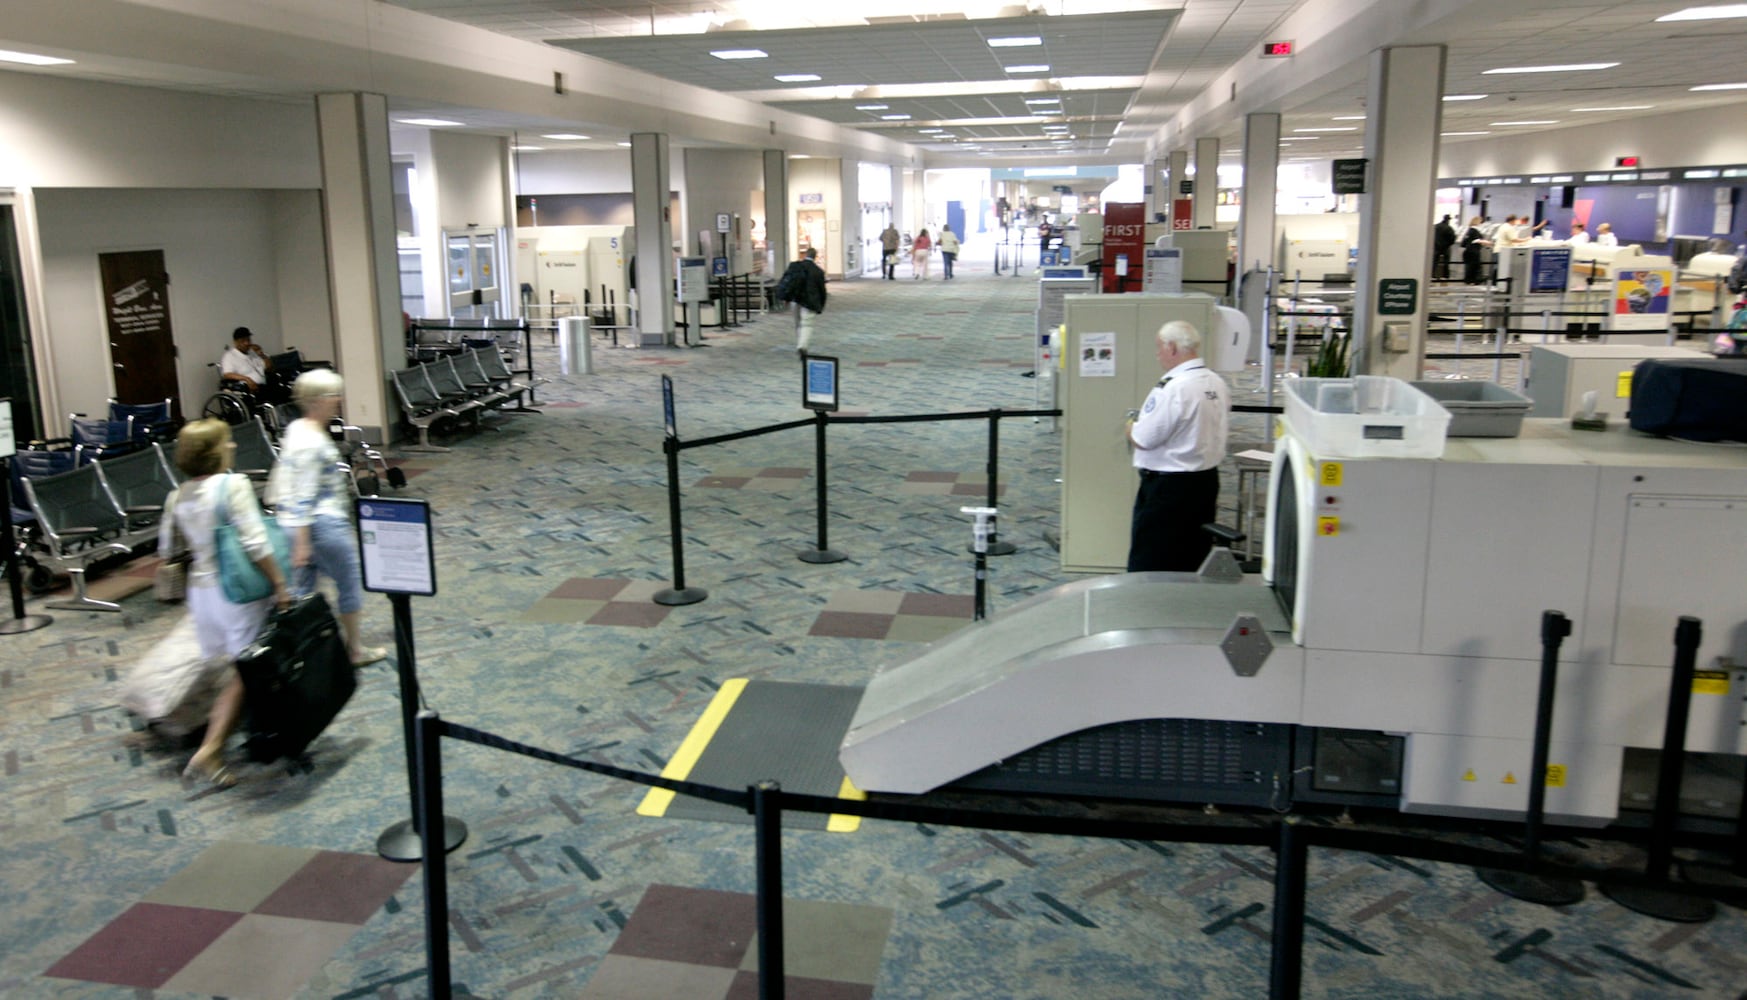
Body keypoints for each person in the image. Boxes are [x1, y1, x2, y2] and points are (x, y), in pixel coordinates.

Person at [161, 418, 292, 785]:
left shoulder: (177, 496)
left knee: (231, 666)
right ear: (215, 452)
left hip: (201, 594)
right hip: (236, 591)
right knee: (245, 670)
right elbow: (256, 543)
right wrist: (280, 584)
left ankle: (236, 730)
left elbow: (168, 549)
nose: (232, 447)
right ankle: (212, 749)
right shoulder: (233, 485)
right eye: (227, 442)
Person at [267, 370, 387, 668]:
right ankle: (355, 649)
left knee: (302, 590)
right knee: (348, 581)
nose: (339, 401)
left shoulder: (297, 429)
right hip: (321, 525)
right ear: (318, 401)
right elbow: (305, 492)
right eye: (334, 395)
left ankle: (296, 653)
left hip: (297, 525)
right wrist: (303, 543)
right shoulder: (312, 441)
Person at [1122, 320, 1229, 574]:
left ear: (1171, 347)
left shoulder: (1173, 388)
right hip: (1205, 482)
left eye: (1159, 347)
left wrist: (1130, 426)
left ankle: (1153, 610)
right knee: (1193, 554)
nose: (1157, 354)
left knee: (1152, 558)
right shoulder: (1215, 382)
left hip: (1168, 488)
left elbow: (1144, 438)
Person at [776, 247, 828, 355]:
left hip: (795, 299)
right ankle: (802, 346)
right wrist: (821, 305)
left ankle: (800, 342)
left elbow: (786, 281)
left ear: (805, 255)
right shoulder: (818, 272)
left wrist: (786, 298)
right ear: (815, 257)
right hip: (809, 301)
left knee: (798, 323)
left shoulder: (795, 266)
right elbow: (822, 290)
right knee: (807, 324)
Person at [219, 326, 273, 396]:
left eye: (248, 340)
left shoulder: (253, 353)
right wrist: (247, 379)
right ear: (236, 342)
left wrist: (262, 354)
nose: (247, 343)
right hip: (249, 391)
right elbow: (227, 374)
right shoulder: (230, 356)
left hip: (264, 386)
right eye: (243, 341)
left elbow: (269, 368)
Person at [1460, 215, 1490, 284]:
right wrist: (1487, 242)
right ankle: (1476, 280)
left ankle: (1469, 280)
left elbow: (1464, 243)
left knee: (1470, 267)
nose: (1481, 223)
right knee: (1476, 267)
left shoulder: (1470, 230)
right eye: (1480, 222)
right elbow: (1476, 240)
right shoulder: (1475, 231)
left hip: (1468, 251)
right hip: (1474, 252)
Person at [1433, 215, 1457, 280]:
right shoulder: (1449, 228)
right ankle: (1445, 276)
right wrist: (1448, 244)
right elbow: (1453, 238)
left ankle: (1432, 275)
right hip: (1446, 247)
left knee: (1434, 262)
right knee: (1446, 262)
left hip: (1436, 246)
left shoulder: (1436, 226)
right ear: (1448, 220)